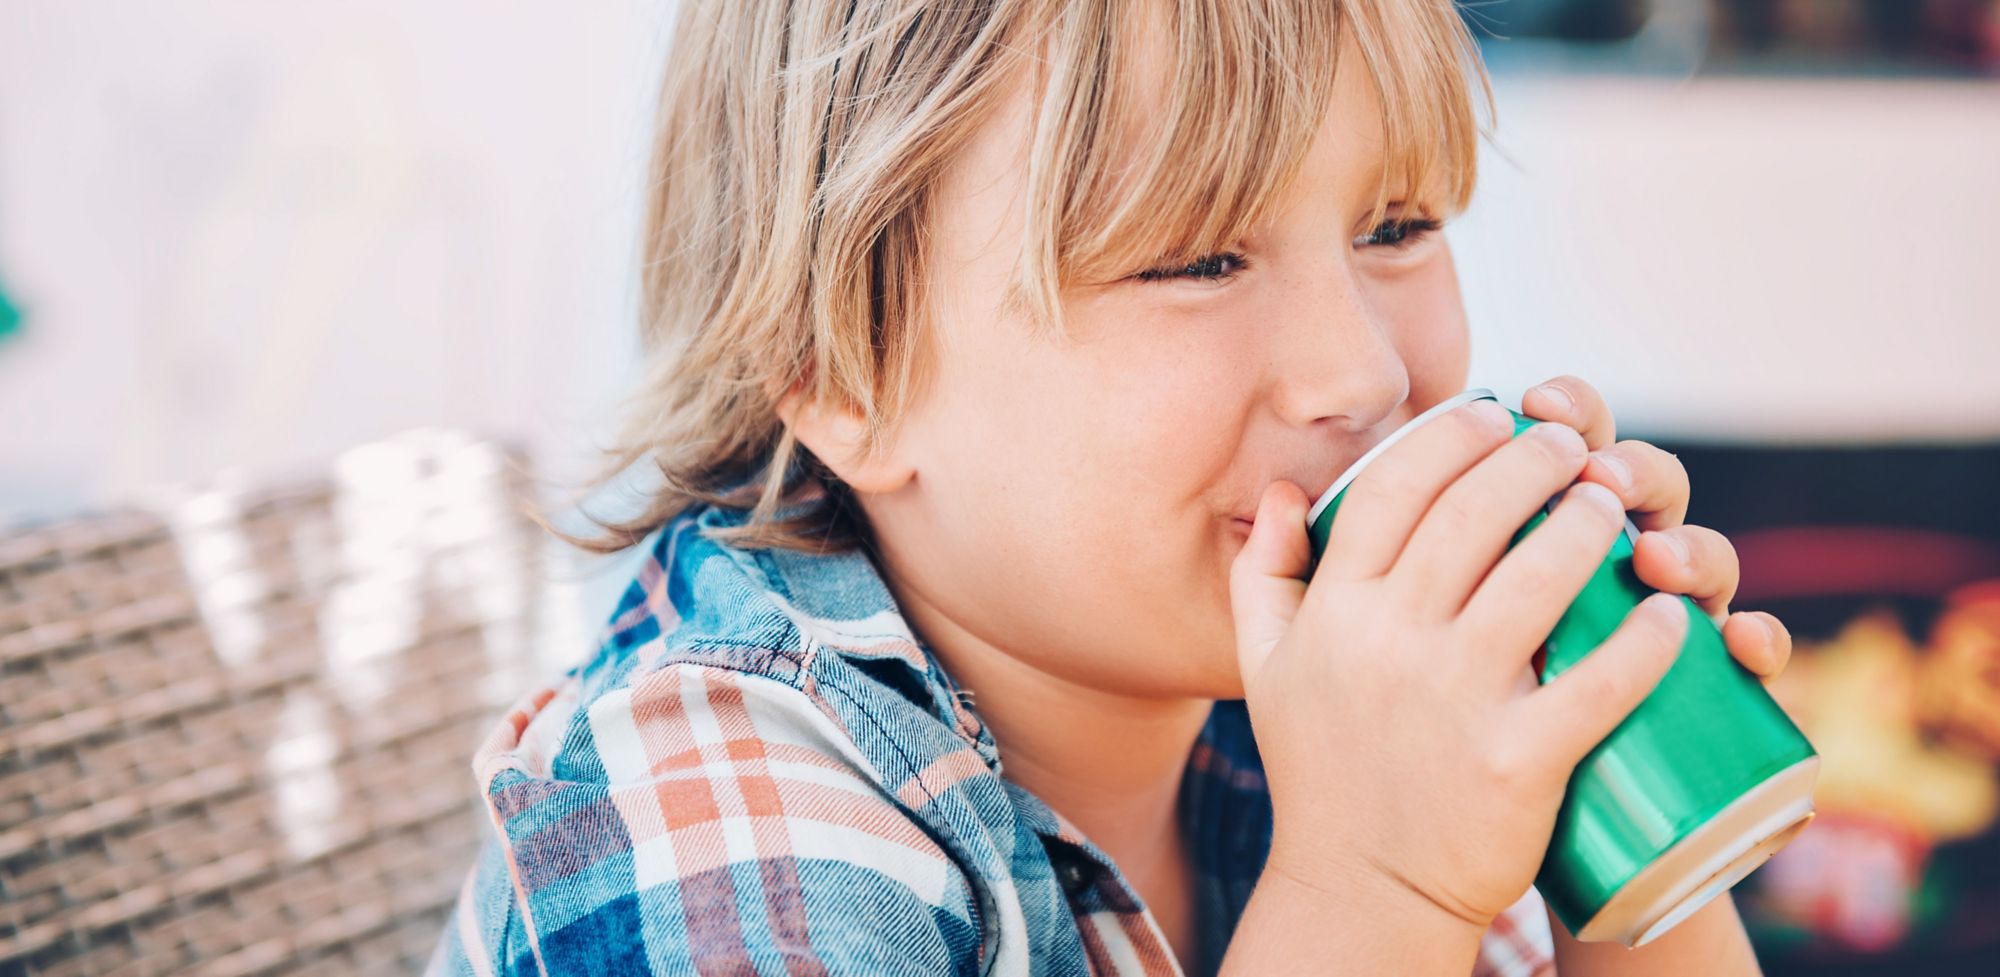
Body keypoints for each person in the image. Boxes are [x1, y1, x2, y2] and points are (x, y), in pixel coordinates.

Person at [427, 1, 1795, 973]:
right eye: (1195, 259)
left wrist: (1625, 833)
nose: (1364, 372)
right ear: (851, 369)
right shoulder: (714, 808)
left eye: (1397, 227)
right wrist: (1378, 886)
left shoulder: (1328, 709)